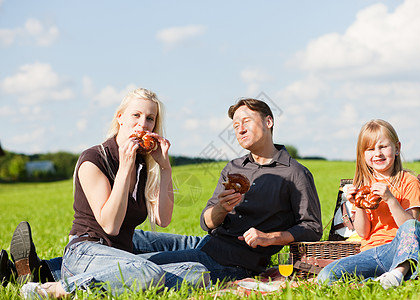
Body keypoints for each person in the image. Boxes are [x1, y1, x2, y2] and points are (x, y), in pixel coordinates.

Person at [2, 97, 322, 287]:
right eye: (234, 123)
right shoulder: (234, 166)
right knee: (130, 240)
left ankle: (46, 277)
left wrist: (271, 239)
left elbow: (312, 227)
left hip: (230, 258)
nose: (238, 127)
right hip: (210, 240)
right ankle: (37, 267)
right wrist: (220, 210)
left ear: (268, 121)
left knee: (143, 261)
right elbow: (206, 221)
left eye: (246, 120)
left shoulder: (294, 173)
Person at [14, 88, 209, 298]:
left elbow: (163, 219)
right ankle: (53, 290)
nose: (143, 124)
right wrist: (125, 169)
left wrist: (165, 168)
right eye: (136, 115)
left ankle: (59, 275)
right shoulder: (94, 159)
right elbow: (110, 225)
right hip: (85, 252)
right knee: (147, 272)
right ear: (120, 118)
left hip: (123, 258)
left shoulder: (142, 164)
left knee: (197, 273)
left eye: (150, 118)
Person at [317, 119, 420, 289]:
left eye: (383, 147)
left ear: (397, 148)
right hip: (369, 253)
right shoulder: (363, 186)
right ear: (363, 154)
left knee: (414, 226)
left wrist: (390, 199)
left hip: (397, 250)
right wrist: (358, 205)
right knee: (325, 276)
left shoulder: (409, 182)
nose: (377, 153)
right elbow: (363, 232)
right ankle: (379, 283)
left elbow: (410, 227)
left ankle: (397, 273)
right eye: (370, 149)